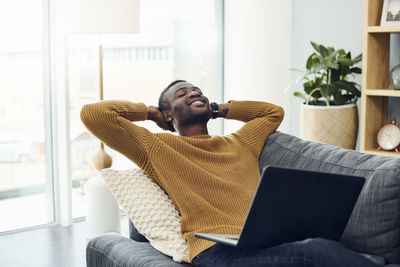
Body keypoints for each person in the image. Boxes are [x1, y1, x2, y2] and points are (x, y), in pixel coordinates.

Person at [80, 80, 383, 267]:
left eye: (199, 92)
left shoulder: (240, 142)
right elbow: (94, 115)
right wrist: (150, 112)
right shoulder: (157, 147)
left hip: (264, 240)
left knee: (325, 246)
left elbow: (272, 112)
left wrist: (217, 108)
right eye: (183, 94)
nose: (194, 93)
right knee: (316, 251)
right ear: (168, 113)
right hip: (217, 251)